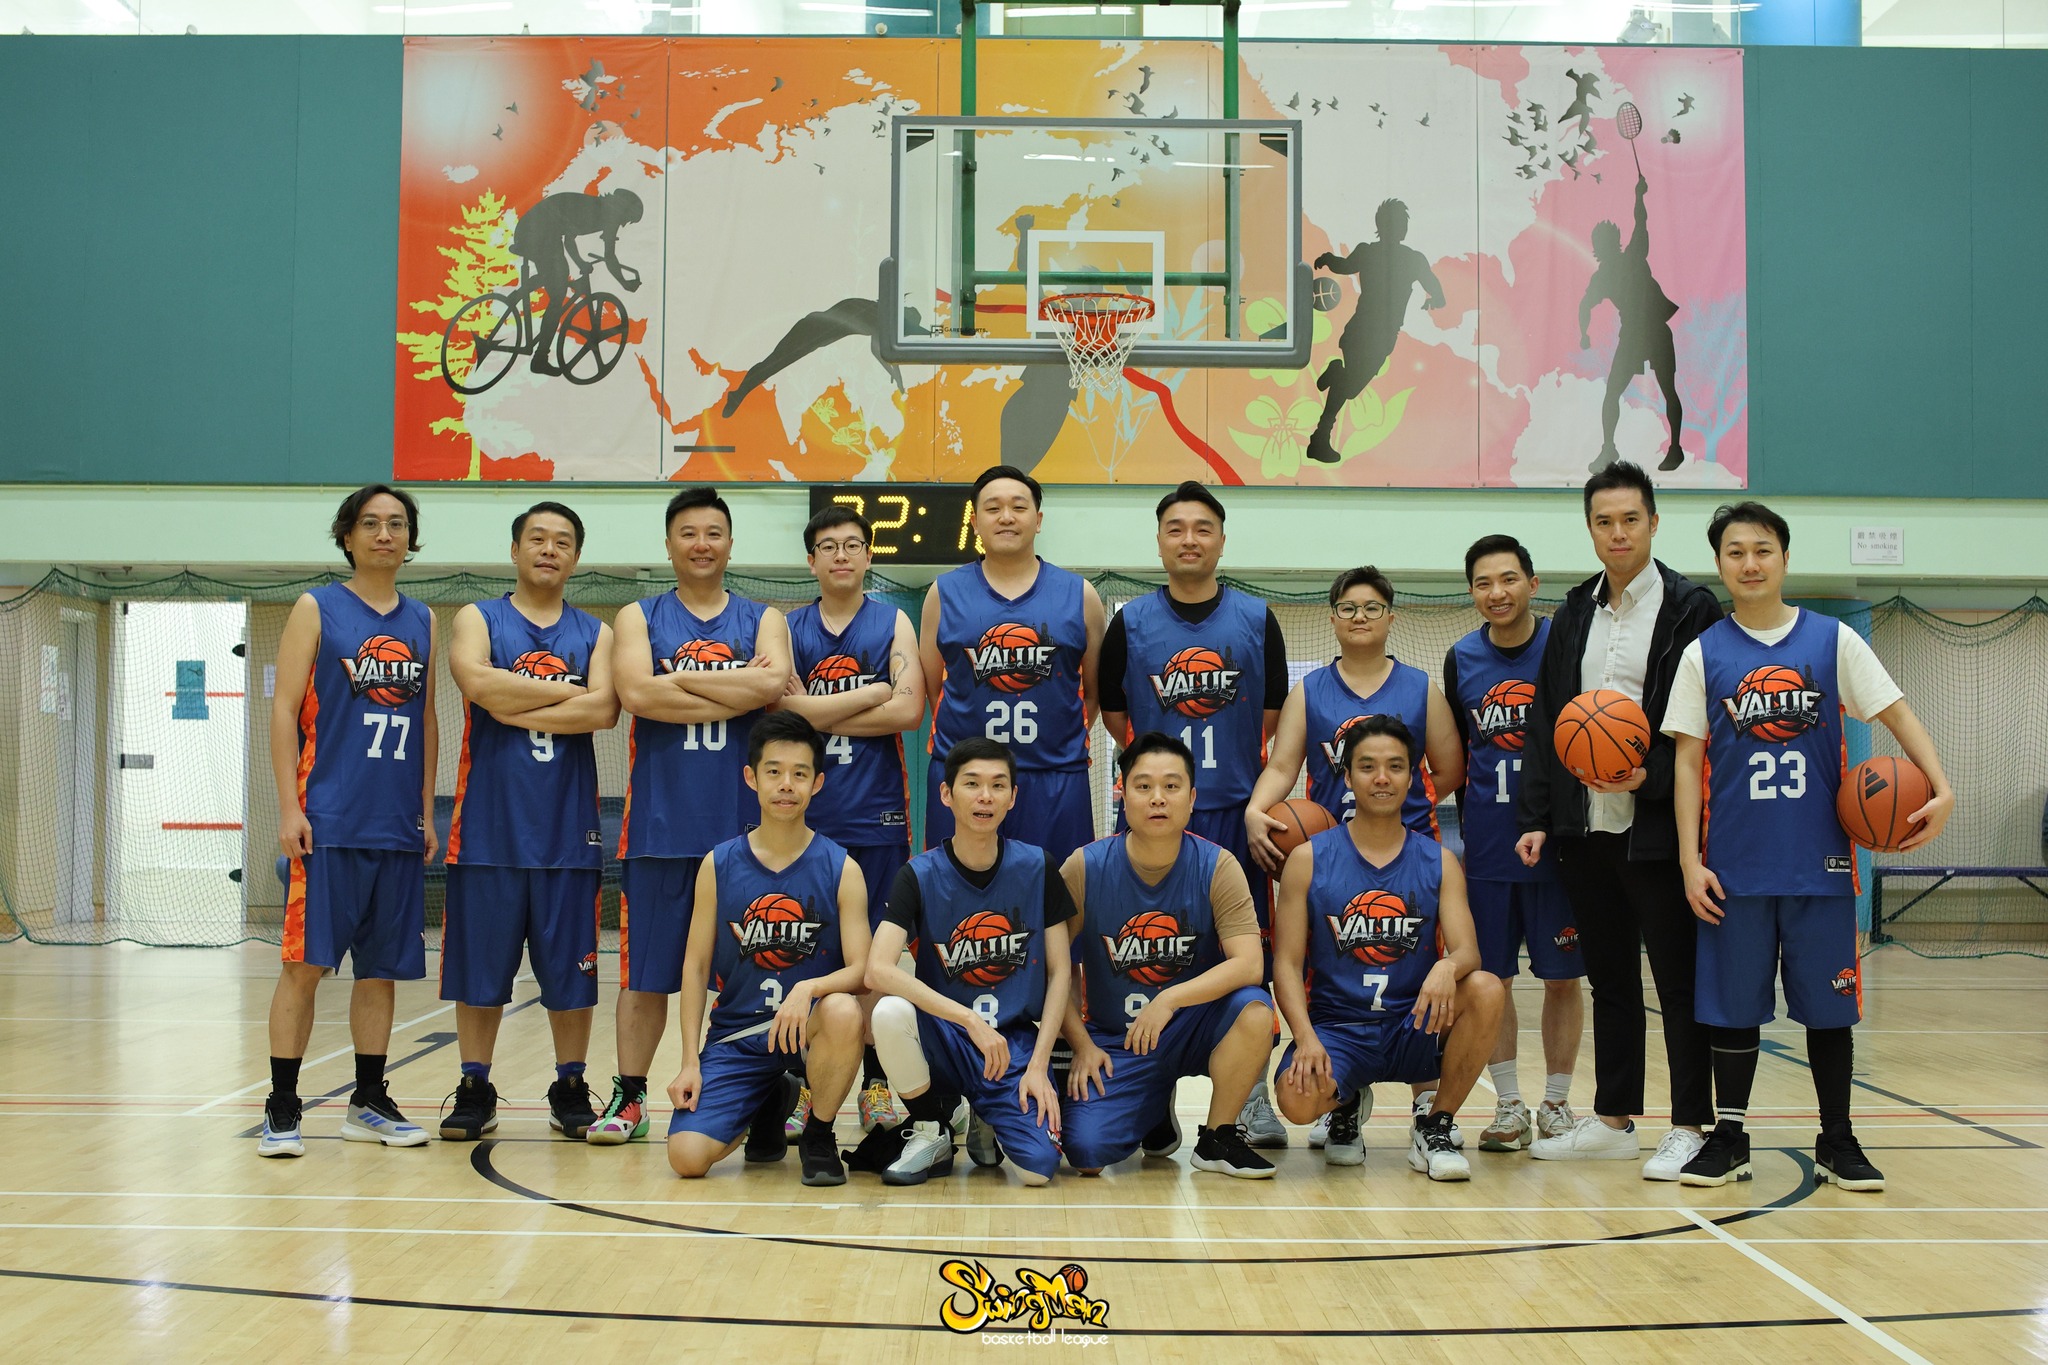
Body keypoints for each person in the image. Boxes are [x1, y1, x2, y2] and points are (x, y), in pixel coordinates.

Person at [1666, 502, 1954, 1191]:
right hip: (1733, 868)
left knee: (1830, 1010)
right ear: (1719, 564)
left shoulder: (1832, 640)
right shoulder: (1703, 652)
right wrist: (1689, 860)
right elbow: (1685, 761)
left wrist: (1941, 786)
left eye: (1762, 549)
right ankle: (1730, 1137)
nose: (1750, 563)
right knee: (1732, 1011)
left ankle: (1837, 1138)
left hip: (1820, 865)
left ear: (1785, 558)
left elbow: (1896, 711)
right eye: (1736, 552)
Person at [1518, 461, 1725, 1179]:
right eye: (1604, 521)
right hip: (1585, 828)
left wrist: (1653, 775)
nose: (1618, 533)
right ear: (1590, 528)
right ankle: (1613, 1118)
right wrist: (1540, 814)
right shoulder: (1575, 610)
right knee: (1609, 978)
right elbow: (1549, 718)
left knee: (1678, 981)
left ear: (1653, 523)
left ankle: (1691, 1123)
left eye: (1630, 519)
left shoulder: (1693, 609)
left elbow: (1708, 725)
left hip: (1659, 827)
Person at [594, 487, 792, 1145]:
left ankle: (764, 1095)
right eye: (688, 533)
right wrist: (738, 687)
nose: (701, 544)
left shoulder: (764, 617)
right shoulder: (637, 615)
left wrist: (675, 681)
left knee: (757, 975)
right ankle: (630, 1098)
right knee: (645, 976)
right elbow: (634, 692)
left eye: (713, 532)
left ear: (730, 543)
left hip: (747, 835)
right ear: (669, 543)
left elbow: (773, 685)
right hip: (660, 830)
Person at [1097, 481, 1290, 1145]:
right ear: (1159, 542)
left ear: (1221, 541)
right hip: (1152, 816)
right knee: (1148, 950)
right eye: (1175, 528)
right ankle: (1153, 1094)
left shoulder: (1257, 619)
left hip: (1234, 815)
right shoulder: (1130, 621)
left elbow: (1270, 718)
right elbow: (1117, 718)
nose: (1189, 539)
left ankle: (1250, 1096)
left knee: (1245, 955)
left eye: (1202, 528)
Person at [1245, 565, 1465, 1147]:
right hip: (1333, 862)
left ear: (1391, 617)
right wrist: (1256, 810)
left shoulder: (1420, 688)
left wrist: (1392, 811)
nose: (1360, 617)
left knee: (1418, 969)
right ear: (1333, 619)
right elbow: (1282, 766)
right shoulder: (1310, 690)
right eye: (1348, 608)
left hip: (1410, 855)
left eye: (1371, 607)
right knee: (1334, 972)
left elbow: (1448, 769)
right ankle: (1344, 1089)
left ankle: (1426, 1105)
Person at [259, 485, 437, 1157]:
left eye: (397, 524)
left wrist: (425, 811)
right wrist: (289, 806)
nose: (385, 533)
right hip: (328, 820)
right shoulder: (317, 607)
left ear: (410, 539)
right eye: (371, 523)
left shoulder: (422, 617)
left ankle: (367, 1099)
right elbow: (284, 711)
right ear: (348, 536)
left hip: (395, 824)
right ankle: (283, 1105)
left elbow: (425, 719)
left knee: (380, 971)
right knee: (305, 967)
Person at [439, 502, 618, 1142]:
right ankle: (474, 1085)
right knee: (480, 974)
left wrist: (512, 699)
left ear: (576, 557)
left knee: (572, 975)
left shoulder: (597, 633)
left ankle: (570, 1084)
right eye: (537, 539)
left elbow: (605, 711)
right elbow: (477, 683)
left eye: (562, 541)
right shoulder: (477, 617)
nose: (548, 549)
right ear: (514, 550)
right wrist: (572, 692)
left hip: (568, 833)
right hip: (488, 830)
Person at [1270, 716, 1504, 1181]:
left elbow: (1469, 953)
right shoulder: (1308, 859)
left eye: (1395, 767)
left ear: (1412, 777)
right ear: (1348, 776)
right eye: (1368, 766)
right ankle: (1345, 1101)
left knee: (1486, 988)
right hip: (1338, 1028)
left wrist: (1447, 967)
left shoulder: (1439, 860)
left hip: (1412, 1023)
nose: (1382, 778)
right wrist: (1307, 1039)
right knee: (1296, 1102)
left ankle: (1435, 1124)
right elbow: (1287, 965)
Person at [665, 713, 872, 1186]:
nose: (786, 785)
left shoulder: (842, 868)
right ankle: (770, 1097)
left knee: (843, 1010)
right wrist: (689, 1061)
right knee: (687, 1158)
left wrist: (809, 988)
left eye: (799, 773)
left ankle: (818, 1133)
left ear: (817, 783)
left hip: (810, 1027)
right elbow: (696, 967)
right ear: (751, 777)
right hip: (738, 1034)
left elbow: (862, 970)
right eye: (774, 771)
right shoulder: (717, 864)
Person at [1058, 732, 1276, 1179]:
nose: (1158, 798)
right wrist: (1080, 1044)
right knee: (1086, 1153)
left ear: (1192, 799)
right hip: (1117, 1038)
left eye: (1171, 786)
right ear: (1123, 795)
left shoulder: (1218, 865)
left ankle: (1217, 1137)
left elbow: (1250, 964)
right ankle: (1152, 1101)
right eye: (1143, 786)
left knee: (1255, 1009)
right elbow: (1052, 967)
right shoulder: (1084, 866)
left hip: (1193, 1026)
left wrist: (1170, 999)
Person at [775, 503, 926, 1134]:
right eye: (829, 546)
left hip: (877, 816)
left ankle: (876, 1083)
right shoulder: (786, 628)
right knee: (807, 952)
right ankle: (809, 1084)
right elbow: (779, 713)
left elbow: (909, 711)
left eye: (853, 545)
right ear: (811, 560)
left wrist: (816, 709)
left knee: (878, 960)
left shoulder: (894, 621)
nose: (841, 555)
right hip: (805, 820)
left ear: (869, 555)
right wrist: (872, 692)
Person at [864, 739, 1074, 1187]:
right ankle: (931, 1126)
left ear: (1013, 797)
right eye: (972, 784)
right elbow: (877, 969)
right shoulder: (918, 873)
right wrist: (967, 1019)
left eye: (998, 786)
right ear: (946, 794)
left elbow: (1060, 973)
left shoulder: (1039, 867)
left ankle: (985, 1111)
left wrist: (1039, 1065)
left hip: (1012, 1042)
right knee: (888, 1012)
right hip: (945, 1034)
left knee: (1038, 1171)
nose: (985, 797)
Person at [1443, 535, 1586, 1154]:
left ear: (1532, 582)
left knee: (1563, 979)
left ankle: (1556, 1102)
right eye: (1483, 583)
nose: (1496, 593)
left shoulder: (1565, 646)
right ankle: (1507, 1105)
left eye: (1507, 579)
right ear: (1472, 592)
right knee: (1491, 981)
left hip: (1559, 849)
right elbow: (1455, 754)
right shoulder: (1461, 659)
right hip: (1488, 851)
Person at [920, 465, 1105, 869]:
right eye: (993, 508)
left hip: (1055, 777)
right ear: (975, 521)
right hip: (965, 779)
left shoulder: (1080, 595)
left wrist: (1057, 741)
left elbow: (1093, 692)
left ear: (1038, 520)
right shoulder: (943, 593)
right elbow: (935, 688)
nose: (1006, 517)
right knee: (957, 894)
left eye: (1019, 507)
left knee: (1059, 894)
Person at [1306, 198, 1448, 465]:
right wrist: (1434, 301)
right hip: (1375, 335)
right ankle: (1320, 437)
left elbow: (1343, 265)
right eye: (1400, 223)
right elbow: (1437, 291)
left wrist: (1327, 259)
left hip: (1362, 331)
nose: (1402, 227)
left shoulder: (1373, 253)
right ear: (1396, 228)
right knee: (1349, 388)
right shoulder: (1412, 259)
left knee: (1348, 386)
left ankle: (1326, 414)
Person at [1580, 175, 1684, 474]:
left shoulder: (1633, 256)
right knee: (1614, 391)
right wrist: (1583, 333)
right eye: (1600, 243)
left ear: (1609, 244)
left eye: (1605, 242)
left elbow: (1641, 221)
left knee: (1667, 389)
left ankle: (1675, 448)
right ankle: (1608, 448)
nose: (1603, 246)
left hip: (1655, 330)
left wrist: (1639, 196)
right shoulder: (1604, 276)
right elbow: (1584, 306)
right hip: (1633, 337)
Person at [509, 187, 643, 376]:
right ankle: (540, 359)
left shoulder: (595, 208)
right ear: (623, 210)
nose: (622, 223)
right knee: (558, 294)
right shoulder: (606, 214)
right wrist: (624, 282)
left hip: (533, 230)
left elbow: (569, 239)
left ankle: (518, 295)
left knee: (557, 275)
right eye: (627, 218)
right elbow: (609, 256)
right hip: (539, 232)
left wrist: (581, 263)